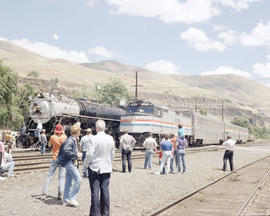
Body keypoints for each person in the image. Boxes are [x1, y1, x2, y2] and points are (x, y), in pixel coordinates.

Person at [82, 120, 115, 216]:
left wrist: (84, 166)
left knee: (95, 191)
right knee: (105, 191)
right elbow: (112, 153)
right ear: (104, 128)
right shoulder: (110, 138)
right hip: (106, 168)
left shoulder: (93, 139)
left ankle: (95, 214)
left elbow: (89, 155)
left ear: (96, 129)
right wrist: (110, 164)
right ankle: (105, 213)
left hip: (94, 168)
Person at [40, 124, 67, 200]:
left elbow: (49, 145)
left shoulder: (52, 137)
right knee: (61, 177)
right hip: (62, 158)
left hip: (55, 157)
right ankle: (60, 194)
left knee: (49, 175)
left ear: (55, 130)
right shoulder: (65, 137)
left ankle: (44, 193)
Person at [57, 124, 82, 207]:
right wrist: (76, 154)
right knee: (78, 179)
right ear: (77, 132)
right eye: (79, 132)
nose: (79, 134)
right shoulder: (70, 140)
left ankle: (65, 200)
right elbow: (66, 151)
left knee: (68, 182)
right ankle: (71, 198)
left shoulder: (72, 139)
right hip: (68, 162)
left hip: (69, 161)